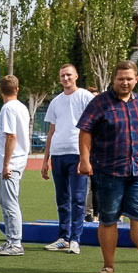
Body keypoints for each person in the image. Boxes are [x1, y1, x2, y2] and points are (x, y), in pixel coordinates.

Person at [75, 60, 138, 273]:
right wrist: (85, 160)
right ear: (114, 79)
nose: (125, 82)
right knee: (109, 219)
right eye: (121, 78)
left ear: (136, 79)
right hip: (108, 171)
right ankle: (108, 265)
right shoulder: (100, 103)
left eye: (129, 79)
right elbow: (85, 132)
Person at [39, 63, 92, 253]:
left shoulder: (86, 96)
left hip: (77, 153)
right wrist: (45, 160)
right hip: (58, 154)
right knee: (62, 198)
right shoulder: (56, 101)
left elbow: (94, 126)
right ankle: (63, 237)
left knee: (78, 198)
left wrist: (88, 156)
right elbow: (51, 131)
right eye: (62, 76)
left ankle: (76, 239)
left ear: (76, 75)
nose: (66, 79)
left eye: (69, 75)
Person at [0, 75, 30, 254]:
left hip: (10, 163)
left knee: (10, 203)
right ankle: (10, 240)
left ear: (1, 91)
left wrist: (6, 164)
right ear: (17, 89)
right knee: (5, 202)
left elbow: (11, 136)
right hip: (15, 161)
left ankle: (15, 242)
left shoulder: (8, 109)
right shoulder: (22, 107)